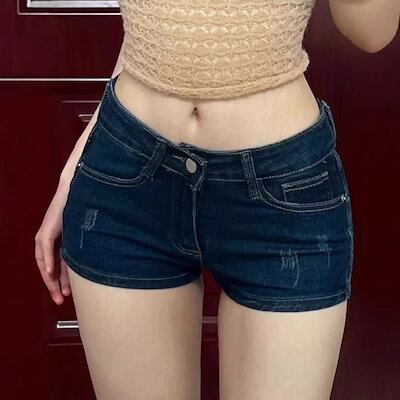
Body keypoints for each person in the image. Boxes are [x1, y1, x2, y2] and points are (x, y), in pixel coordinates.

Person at [35, 1, 399, 399]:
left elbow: (372, 33)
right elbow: (152, 37)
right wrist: (73, 173)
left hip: (282, 194)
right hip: (126, 176)